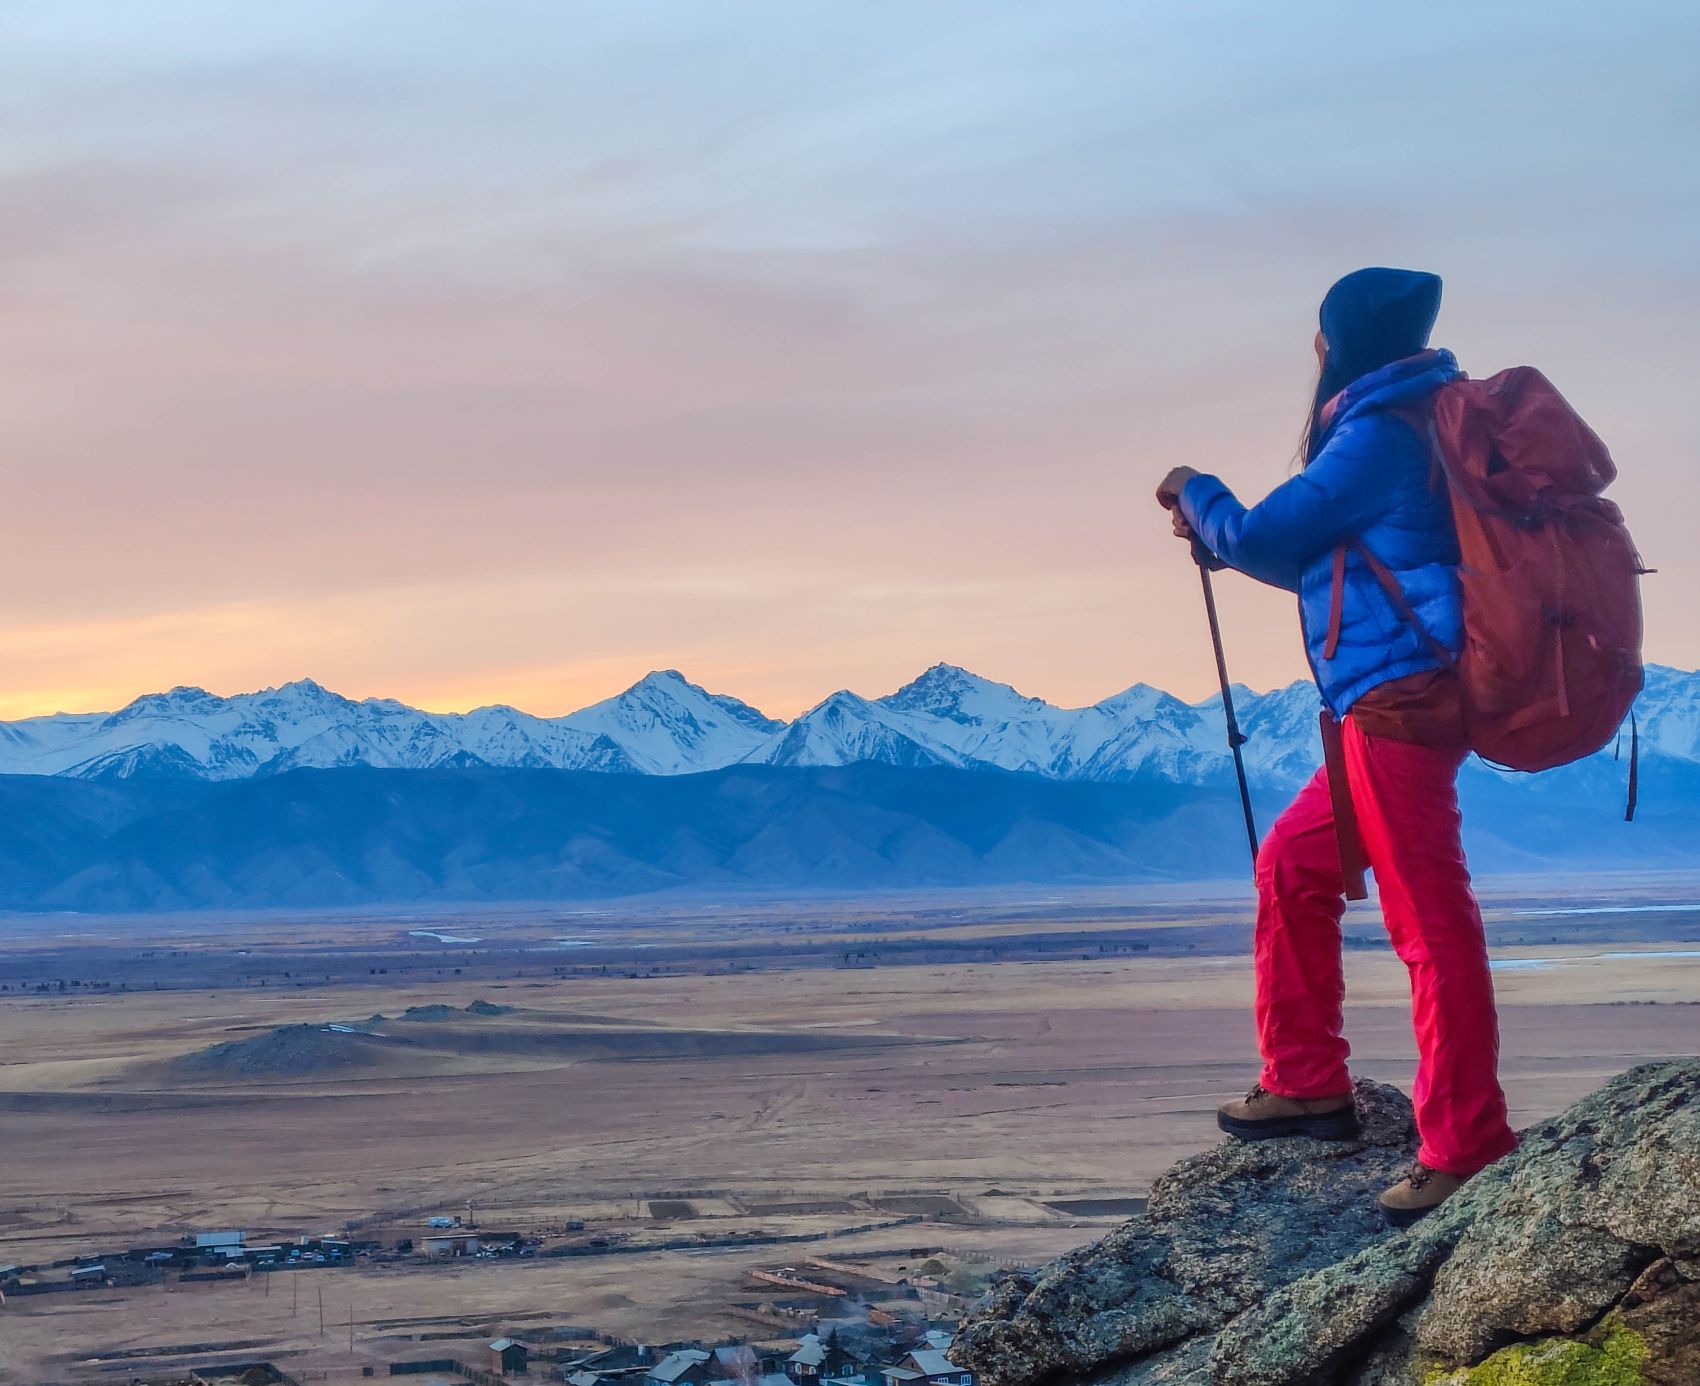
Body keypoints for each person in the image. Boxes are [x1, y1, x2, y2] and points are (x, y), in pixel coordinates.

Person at [1154, 267, 1518, 1226]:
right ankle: (1307, 1081)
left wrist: (1198, 491)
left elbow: (1270, 536)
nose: (1314, 356)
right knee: (1294, 866)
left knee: (1429, 925)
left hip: (1400, 703)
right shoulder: (1416, 424)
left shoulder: (1380, 435)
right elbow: (1319, 551)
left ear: (1341, 341)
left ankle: (1467, 1142)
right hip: (1375, 705)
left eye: (1320, 340)